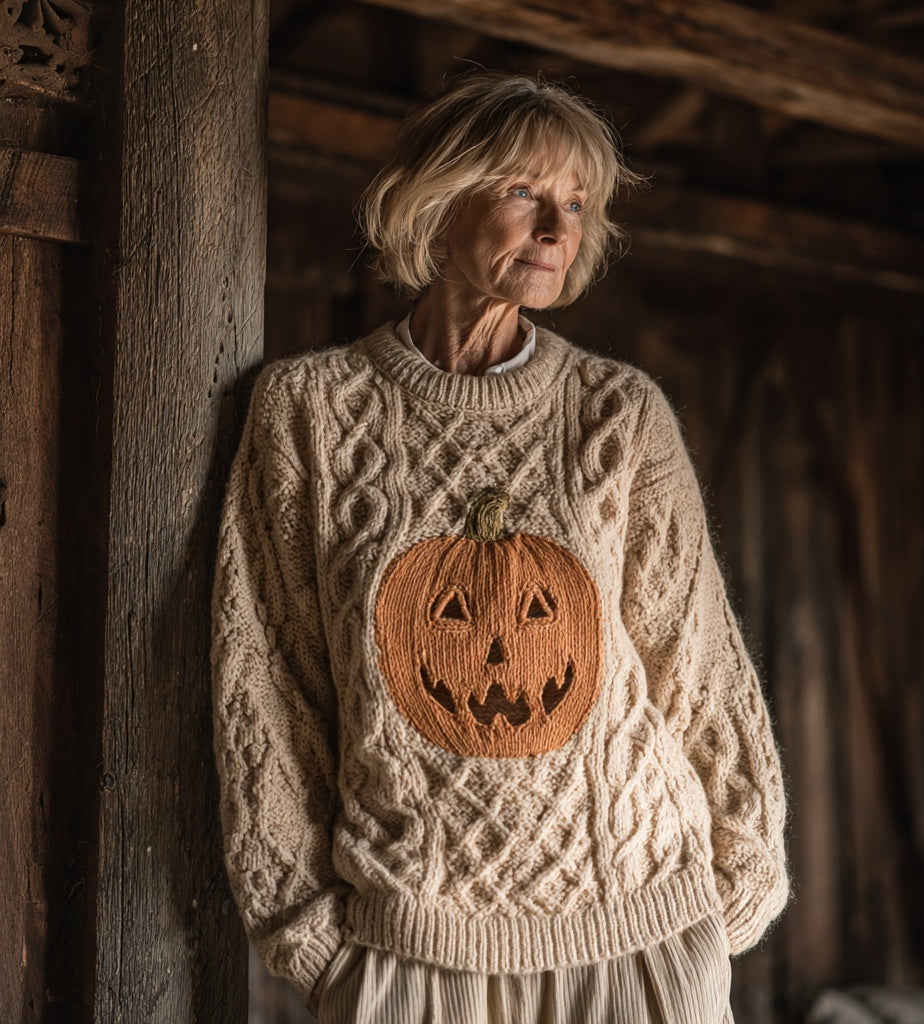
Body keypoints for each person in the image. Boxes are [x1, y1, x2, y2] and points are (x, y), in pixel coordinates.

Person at [210, 71, 789, 1024]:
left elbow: (696, 661)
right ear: (437, 203)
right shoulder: (309, 411)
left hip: (641, 937)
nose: (560, 230)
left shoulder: (618, 414)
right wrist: (305, 928)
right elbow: (266, 672)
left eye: (575, 203)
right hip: (407, 949)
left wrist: (734, 887)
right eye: (526, 193)